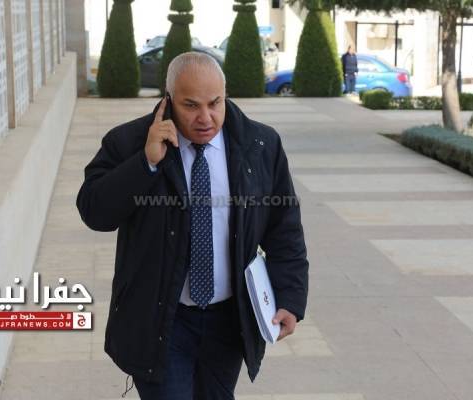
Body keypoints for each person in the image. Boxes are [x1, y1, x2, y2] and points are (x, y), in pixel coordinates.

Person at [76, 52, 309, 400]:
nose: (205, 118)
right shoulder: (129, 142)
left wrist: (289, 297)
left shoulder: (260, 145)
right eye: (191, 106)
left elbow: (284, 229)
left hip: (229, 322)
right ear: (169, 99)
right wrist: (145, 163)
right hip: (161, 321)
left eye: (215, 103)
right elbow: (95, 212)